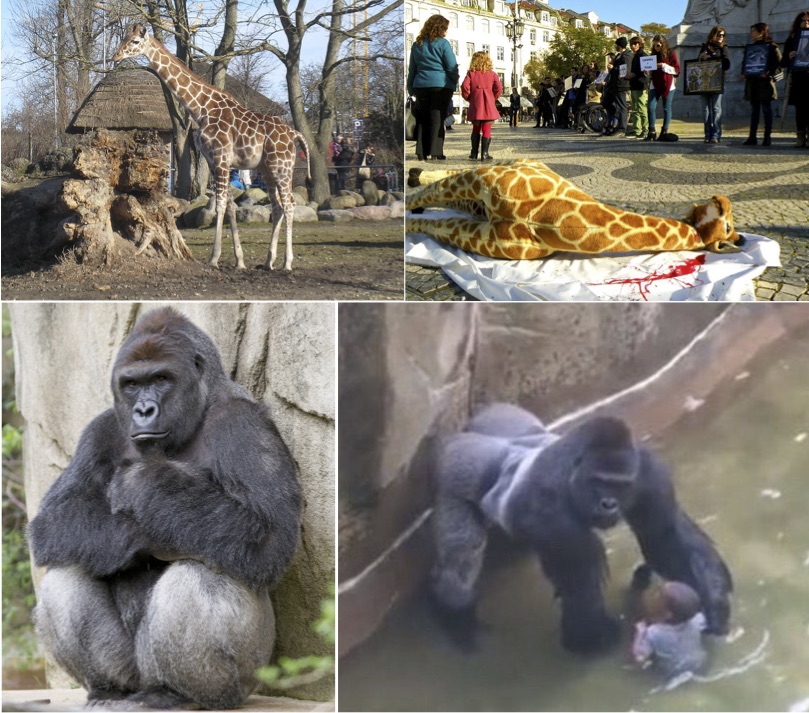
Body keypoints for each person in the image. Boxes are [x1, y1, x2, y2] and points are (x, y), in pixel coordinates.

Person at [406, 15, 459, 161]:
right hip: (441, 85)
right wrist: (454, 80)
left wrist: (411, 87)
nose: (446, 32)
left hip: (421, 85)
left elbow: (412, 69)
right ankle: (436, 151)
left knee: (423, 118)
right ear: (439, 28)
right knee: (437, 118)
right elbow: (451, 66)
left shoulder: (417, 44)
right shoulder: (443, 44)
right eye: (445, 29)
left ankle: (421, 151)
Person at [631, 580, 708, 680]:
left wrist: (639, 633)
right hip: (699, 663)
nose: (656, 595)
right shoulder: (698, 619)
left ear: (668, 614)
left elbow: (638, 659)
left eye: (659, 595)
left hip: (673, 673)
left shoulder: (654, 633)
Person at [742, 23, 783, 146]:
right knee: (754, 111)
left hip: (765, 83)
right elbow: (746, 62)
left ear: (761, 32)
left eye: (754, 31)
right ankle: (752, 137)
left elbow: (779, 63)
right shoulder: (750, 47)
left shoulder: (771, 46)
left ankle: (767, 137)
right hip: (753, 82)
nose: (752, 33)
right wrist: (744, 72)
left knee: (766, 110)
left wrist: (769, 73)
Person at [461, 51, 503, 160]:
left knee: (475, 128)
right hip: (488, 104)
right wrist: (494, 97)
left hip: (476, 104)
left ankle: (474, 153)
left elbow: (464, 86)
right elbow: (499, 87)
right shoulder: (492, 74)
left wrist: (469, 97)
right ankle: (485, 154)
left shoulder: (471, 73)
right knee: (487, 128)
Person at [698, 26, 731, 144]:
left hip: (717, 81)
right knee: (705, 110)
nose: (720, 37)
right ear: (713, 35)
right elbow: (696, 65)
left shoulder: (724, 48)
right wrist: (701, 57)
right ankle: (707, 134)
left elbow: (727, 64)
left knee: (716, 109)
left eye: (722, 35)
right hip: (704, 82)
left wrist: (712, 57)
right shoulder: (704, 46)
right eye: (718, 35)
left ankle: (715, 135)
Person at [645, 34, 680, 141]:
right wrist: (647, 72)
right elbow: (650, 71)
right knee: (650, 106)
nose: (657, 48)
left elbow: (677, 70)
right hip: (655, 83)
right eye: (655, 45)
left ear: (663, 44)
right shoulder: (653, 55)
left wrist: (663, 66)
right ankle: (651, 131)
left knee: (666, 107)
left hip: (668, 84)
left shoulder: (671, 54)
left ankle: (664, 131)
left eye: (658, 45)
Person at [782, 11, 809, 147]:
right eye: (803, 21)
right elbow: (783, 63)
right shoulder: (792, 39)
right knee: (801, 109)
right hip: (799, 78)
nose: (806, 23)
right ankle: (800, 136)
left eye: (808, 21)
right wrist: (789, 56)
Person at [603, 37, 632, 136]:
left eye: (616, 44)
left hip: (621, 85)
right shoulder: (619, 56)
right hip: (613, 84)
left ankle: (622, 129)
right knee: (605, 102)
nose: (615, 46)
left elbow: (625, 70)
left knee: (622, 106)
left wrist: (614, 68)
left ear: (619, 45)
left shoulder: (626, 56)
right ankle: (618, 116)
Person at [627, 36, 649, 139]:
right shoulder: (635, 56)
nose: (633, 46)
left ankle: (645, 129)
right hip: (634, 84)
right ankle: (637, 129)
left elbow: (645, 72)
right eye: (631, 44)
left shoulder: (643, 55)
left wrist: (633, 74)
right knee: (635, 108)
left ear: (639, 45)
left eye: (635, 44)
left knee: (641, 108)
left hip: (641, 85)